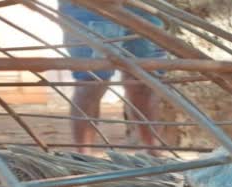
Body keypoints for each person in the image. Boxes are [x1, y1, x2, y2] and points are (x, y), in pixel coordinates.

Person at [58, 1, 166, 154]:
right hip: (92, 7)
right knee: (92, 81)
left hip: (144, 6)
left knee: (145, 81)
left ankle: (153, 151)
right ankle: (83, 158)